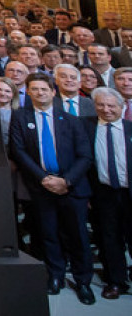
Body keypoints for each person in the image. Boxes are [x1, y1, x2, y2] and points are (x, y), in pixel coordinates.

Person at [9, 72, 96, 304]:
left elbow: (85, 156)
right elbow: (18, 151)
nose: (40, 93)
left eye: (44, 89)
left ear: (53, 92)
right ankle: (55, 275)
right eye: (35, 90)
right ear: (28, 92)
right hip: (41, 188)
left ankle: (83, 280)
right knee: (48, 235)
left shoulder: (71, 120)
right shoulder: (20, 117)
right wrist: (44, 179)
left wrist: (65, 181)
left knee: (78, 236)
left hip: (72, 188)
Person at [88, 87, 130, 300]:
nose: (106, 109)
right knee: (110, 238)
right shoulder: (86, 128)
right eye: (101, 105)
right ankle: (116, 281)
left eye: (111, 105)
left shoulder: (130, 128)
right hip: (103, 193)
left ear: (121, 108)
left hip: (129, 191)